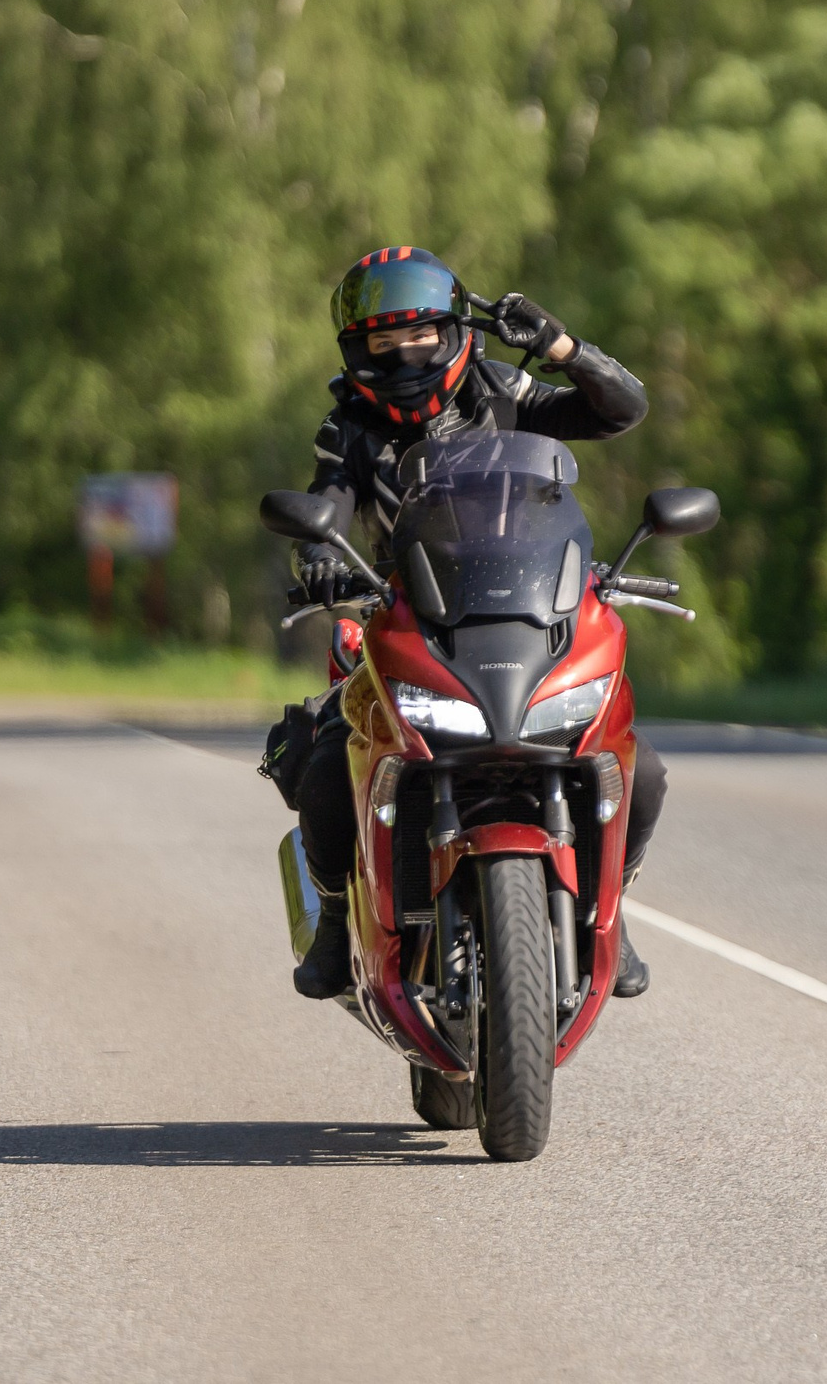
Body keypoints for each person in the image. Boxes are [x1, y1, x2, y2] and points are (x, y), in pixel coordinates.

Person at [270, 247, 667, 1002]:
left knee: (637, 767)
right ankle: (331, 921)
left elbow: (621, 410)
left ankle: (612, 911)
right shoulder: (348, 426)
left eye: (419, 335)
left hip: (528, 606)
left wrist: (560, 345)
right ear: (358, 352)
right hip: (407, 615)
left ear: (453, 332)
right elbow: (324, 504)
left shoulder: (501, 386)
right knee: (327, 765)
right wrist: (317, 550)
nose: (404, 353)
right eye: (383, 342)